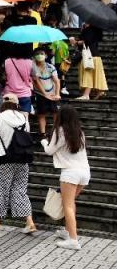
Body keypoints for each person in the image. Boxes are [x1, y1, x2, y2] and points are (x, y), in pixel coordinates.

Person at [41, 106, 90, 250]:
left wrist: (44, 142)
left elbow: (49, 151)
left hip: (70, 173)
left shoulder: (60, 131)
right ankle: (69, 232)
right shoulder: (80, 133)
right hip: (84, 172)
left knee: (67, 205)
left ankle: (73, 240)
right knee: (70, 203)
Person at [0, 94, 38, 233]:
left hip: (4, 159)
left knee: (0, 189)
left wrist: (1, 148)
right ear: (17, 104)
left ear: (3, 104)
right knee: (20, 190)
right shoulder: (23, 118)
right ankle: (30, 222)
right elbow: (26, 136)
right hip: (22, 158)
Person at [31, 49, 60, 136]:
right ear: (34, 57)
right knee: (41, 114)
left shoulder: (50, 67)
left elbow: (56, 81)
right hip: (40, 94)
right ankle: (43, 133)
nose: (40, 55)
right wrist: (45, 94)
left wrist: (57, 93)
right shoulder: (33, 68)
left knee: (55, 112)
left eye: (42, 53)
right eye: (37, 54)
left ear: (46, 56)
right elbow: (37, 82)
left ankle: (56, 131)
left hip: (52, 92)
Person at [76, 23, 108, 100]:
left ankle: (86, 94)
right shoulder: (98, 30)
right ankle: (100, 91)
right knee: (97, 74)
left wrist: (76, 42)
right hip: (96, 56)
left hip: (89, 56)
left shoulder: (88, 30)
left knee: (88, 74)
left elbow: (86, 42)